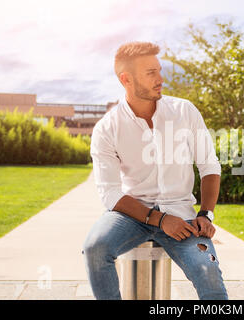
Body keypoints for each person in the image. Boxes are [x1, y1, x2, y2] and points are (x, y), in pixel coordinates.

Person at [82, 41, 228, 300]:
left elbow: (209, 165)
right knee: (95, 247)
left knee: (207, 269)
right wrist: (160, 220)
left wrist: (206, 214)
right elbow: (111, 195)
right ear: (126, 79)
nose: (160, 79)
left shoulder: (185, 112)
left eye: (159, 70)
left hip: (181, 213)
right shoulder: (107, 128)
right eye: (151, 73)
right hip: (130, 215)